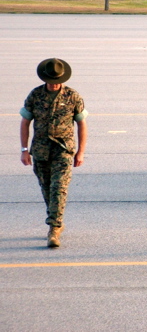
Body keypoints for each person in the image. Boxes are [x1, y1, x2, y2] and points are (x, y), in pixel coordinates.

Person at [20, 58, 88, 247]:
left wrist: (80, 152)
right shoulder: (35, 95)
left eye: (58, 79)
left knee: (59, 189)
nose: (55, 83)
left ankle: (54, 228)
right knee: (47, 189)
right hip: (41, 151)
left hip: (63, 150)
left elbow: (82, 124)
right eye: (51, 80)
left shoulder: (72, 96)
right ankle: (55, 219)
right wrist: (24, 150)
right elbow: (25, 122)